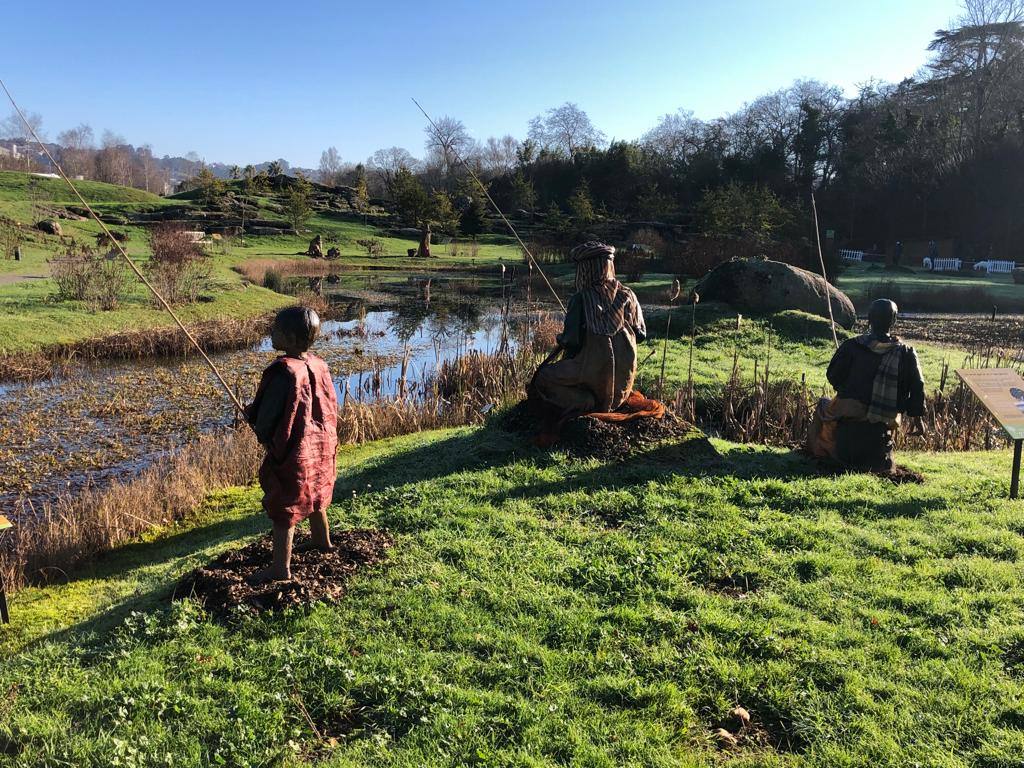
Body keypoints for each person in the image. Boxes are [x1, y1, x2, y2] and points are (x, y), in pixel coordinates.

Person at [245, 306, 339, 582]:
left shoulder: (283, 372)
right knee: (317, 491)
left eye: (277, 329)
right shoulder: (319, 364)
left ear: (291, 338)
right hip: (321, 443)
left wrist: (252, 418)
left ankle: (280, 568)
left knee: (284, 506)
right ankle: (322, 541)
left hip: (296, 450)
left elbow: (267, 419)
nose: (272, 332)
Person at [530, 241, 646, 419]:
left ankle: (584, 402)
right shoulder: (628, 295)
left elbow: (571, 343)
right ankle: (608, 400)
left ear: (585, 268)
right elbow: (641, 335)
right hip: (621, 385)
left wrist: (563, 338)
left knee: (542, 378)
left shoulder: (580, 299)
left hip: (590, 374)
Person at [807, 299, 925, 471]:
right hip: (883, 421)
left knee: (822, 405)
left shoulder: (852, 346)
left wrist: (849, 391)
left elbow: (833, 375)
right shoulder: (906, 354)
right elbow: (917, 388)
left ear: (869, 319)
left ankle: (820, 452)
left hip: (847, 412)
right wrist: (917, 417)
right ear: (894, 321)